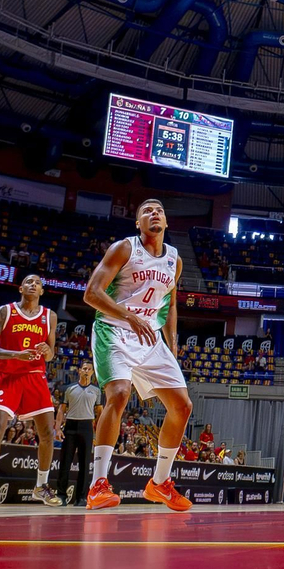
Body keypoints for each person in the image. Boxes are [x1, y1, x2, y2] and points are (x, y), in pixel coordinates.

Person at [81, 199, 193, 511]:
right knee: (118, 394)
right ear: (138, 223)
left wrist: (171, 344)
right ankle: (98, 485)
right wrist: (129, 317)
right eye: (146, 210)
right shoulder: (123, 249)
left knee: (182, 406)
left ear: (166, 222)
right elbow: (92, 293)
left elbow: (169, 306)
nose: (154, 213)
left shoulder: (174, 259)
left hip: (150, 337)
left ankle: (159, 484)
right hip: (114, 330)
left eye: (160, 209)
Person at [0, 274, 63, 508]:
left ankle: (41, 486)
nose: (33, 285)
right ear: (20, 288)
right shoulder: (4, 312)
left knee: (47, 433)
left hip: (35, 376)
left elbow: (51, 353)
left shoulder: (50, 316)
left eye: (37, 283)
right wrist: (15, 354)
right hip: (7, 375)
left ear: (42, 291)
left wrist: (47, 350)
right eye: (29, 282)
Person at [57, 362, 100, 506]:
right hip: (70, 426)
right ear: (79, 371)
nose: (86, 371)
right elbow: (62, 409)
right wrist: (57, 428)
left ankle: (81, 497)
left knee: (85, 464)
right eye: (84, 369)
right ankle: (61, 495)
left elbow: (100, 413)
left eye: (89, 369)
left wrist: (99, 432)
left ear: (93, 372)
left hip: (87, 427)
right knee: (65, 462)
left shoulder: (97, 391)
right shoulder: (69, 389)